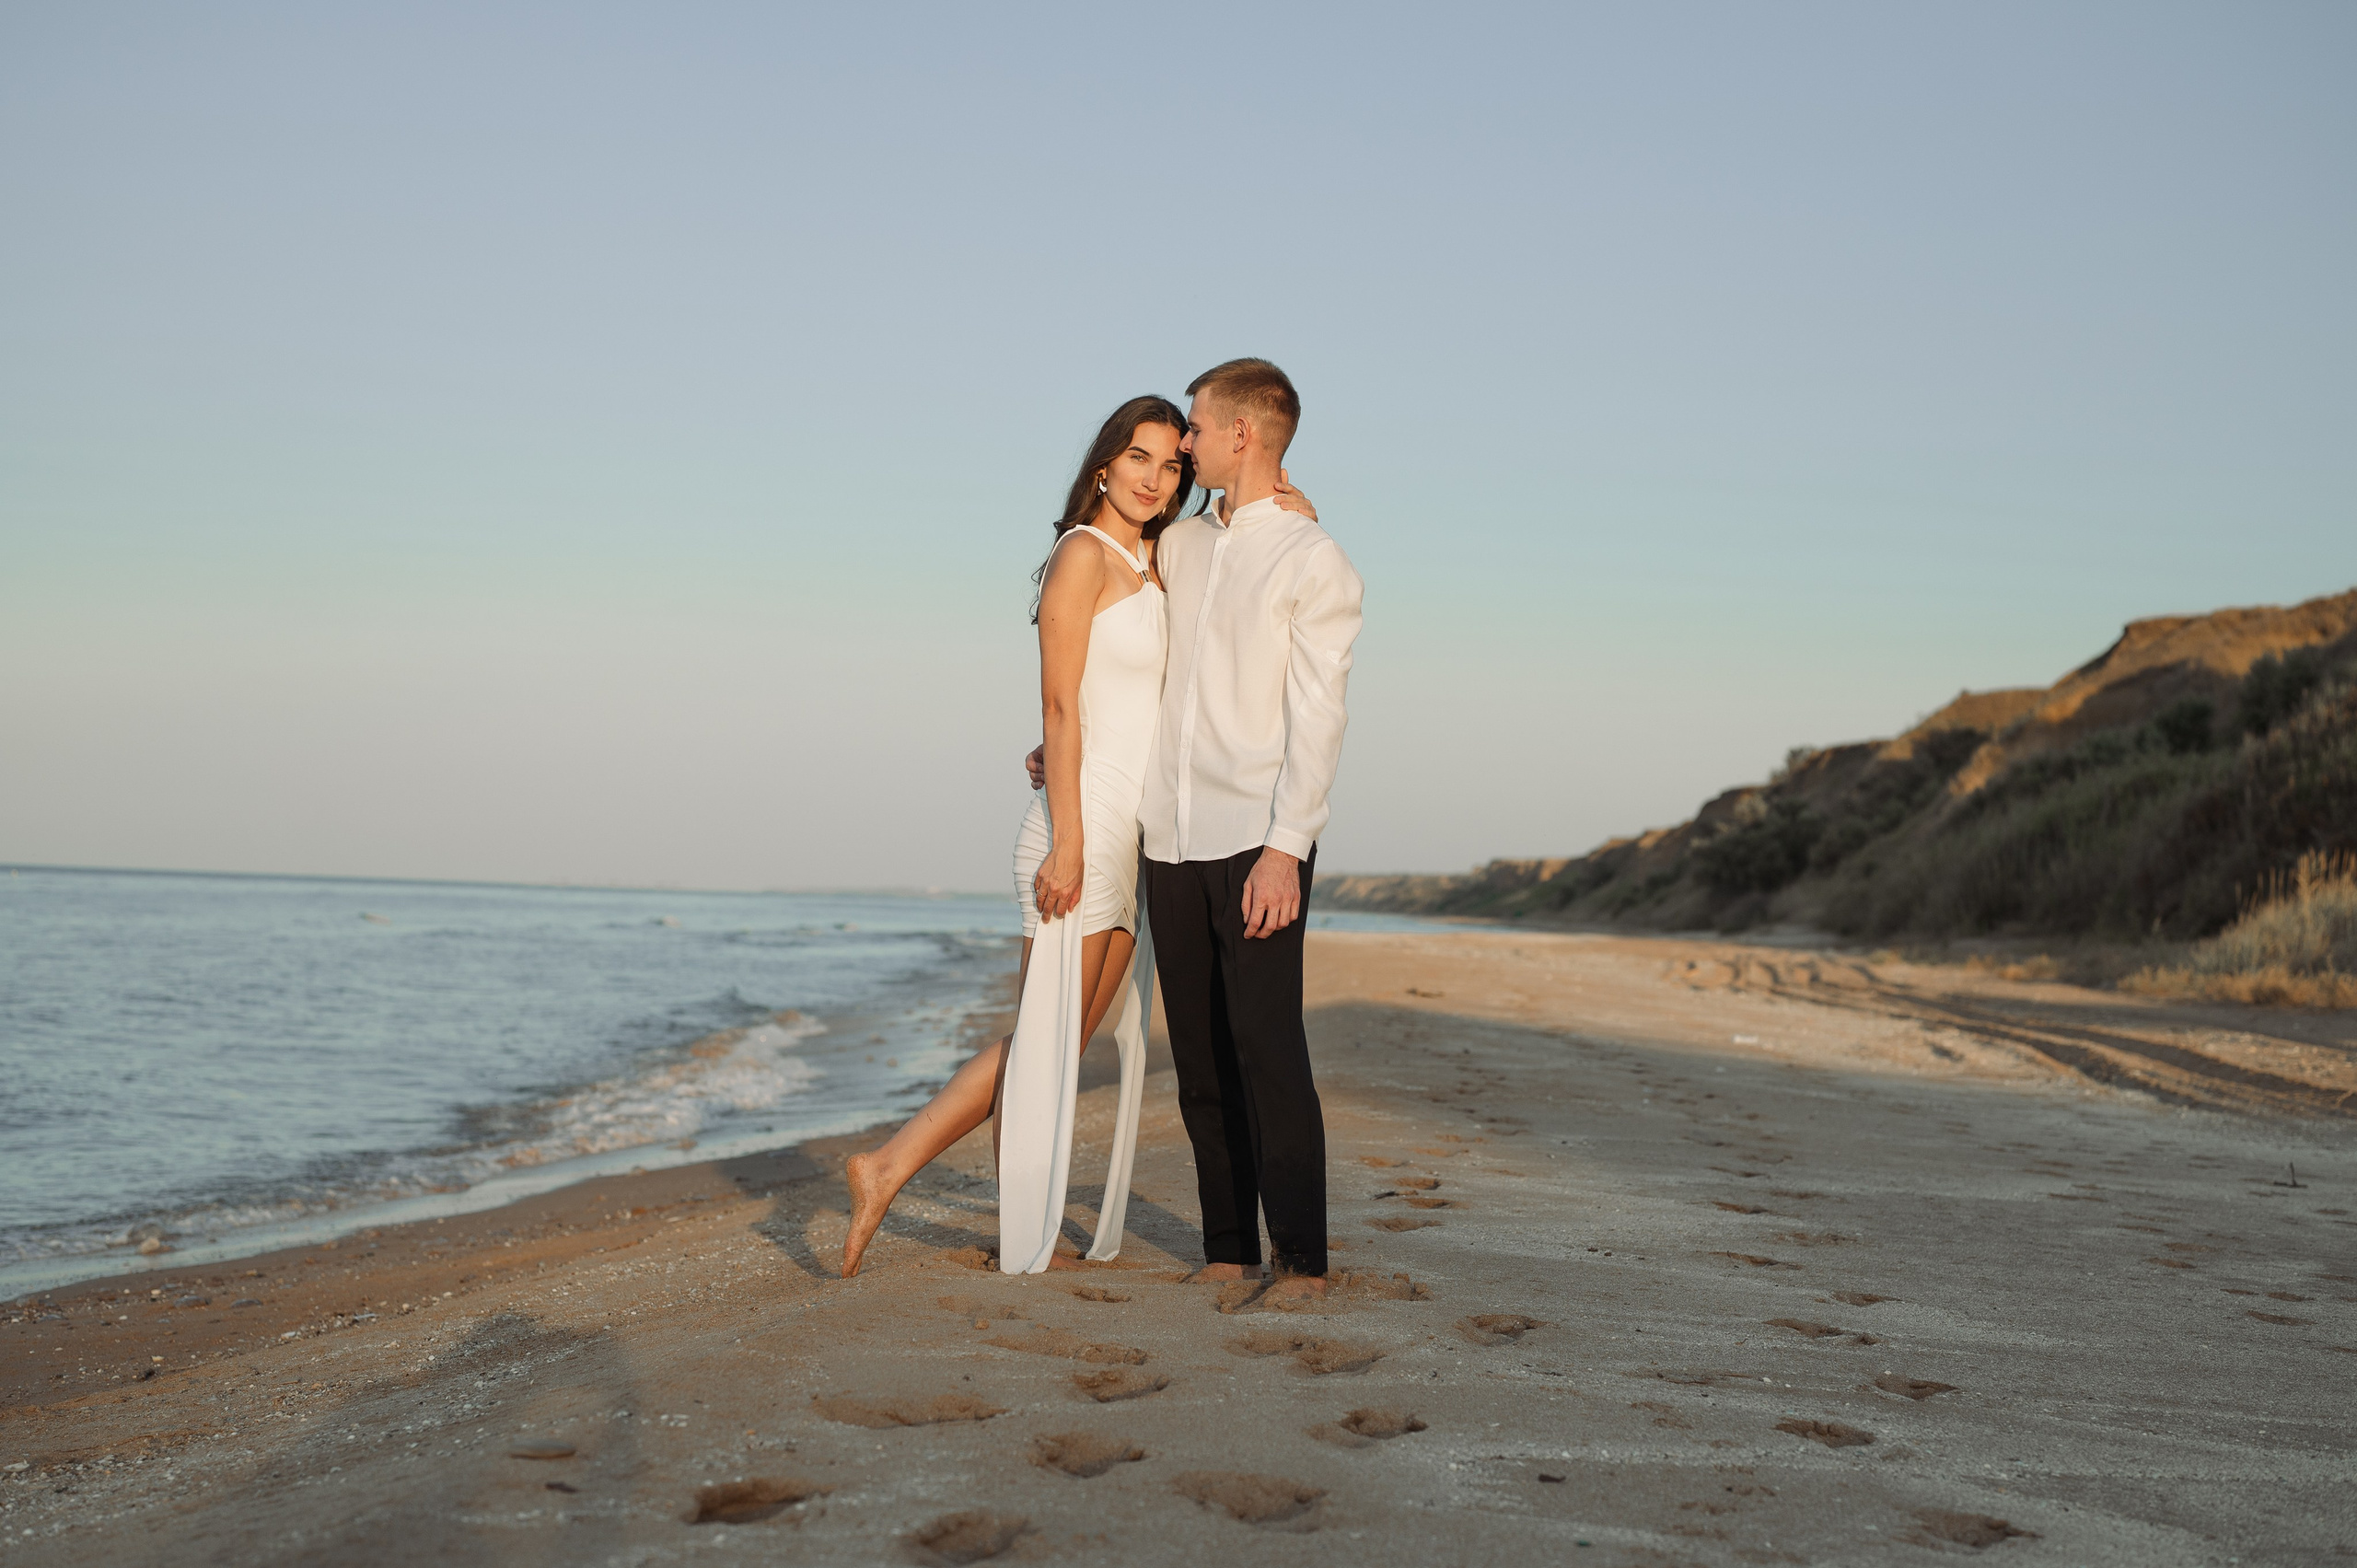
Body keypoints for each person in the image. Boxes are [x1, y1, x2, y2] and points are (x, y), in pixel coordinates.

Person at [839, 394, 1318, 1277]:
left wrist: (1292, 500)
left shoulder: (1160, 558)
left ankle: (932, 1181)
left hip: (1135, 840)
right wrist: (1067, 838)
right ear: (1104, 464)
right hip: (1080, 830)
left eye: (1171, 464)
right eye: (1138, 458)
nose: (1155, 479)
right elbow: (1059, 706)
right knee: (1042, 1042)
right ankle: (943, 1192)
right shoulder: (1082, 555)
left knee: (1053, 1043)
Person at [1029, 358, 1361, 1305]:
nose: (1184, 442)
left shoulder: (1313, 559)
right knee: (1202, 1060)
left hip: (1258, 840)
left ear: (1241, 435)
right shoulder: (1179, 546)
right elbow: (1122, 651)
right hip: (1167, 839)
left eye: (1197, 430)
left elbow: (1320, 717)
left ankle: (1301, 1260)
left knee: (1269, 1051)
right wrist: (1060, 740)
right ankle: (1227, 1247)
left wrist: (1287, 849)